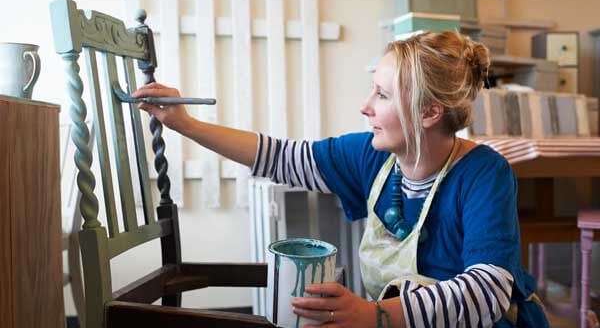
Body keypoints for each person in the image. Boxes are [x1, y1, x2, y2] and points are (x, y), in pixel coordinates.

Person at [133, 31, 548, 328]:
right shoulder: (371, 156)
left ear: (428, 113)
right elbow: (279, 157)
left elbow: (486, 292)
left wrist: (374, 315)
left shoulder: (484, 173)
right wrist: (185, 124)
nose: (364, 106)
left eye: (382, 95)